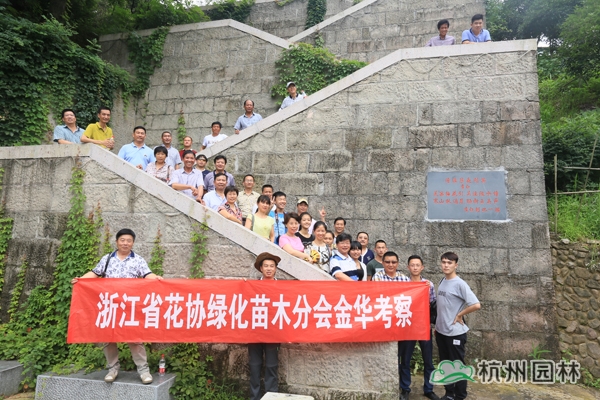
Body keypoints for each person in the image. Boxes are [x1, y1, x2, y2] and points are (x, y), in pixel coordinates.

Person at [70, 228, 163, 384]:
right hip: (110, 305)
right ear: (117, 241)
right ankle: (112, 369)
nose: (125, 243)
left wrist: (156, 278)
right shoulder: (107, 258)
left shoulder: (138, 260)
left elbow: (147, 274)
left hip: (129, 306)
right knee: (108, 338)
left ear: (133, 243)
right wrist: (80, 280)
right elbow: (95, 273)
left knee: (134, 338)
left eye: (129, 241)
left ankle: (143, 371)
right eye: (122, 240)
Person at [435, 252, 481, 400]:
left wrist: (460, 314)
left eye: (449, 263)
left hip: (455, 332)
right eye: (443, 262)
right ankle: (449, 394)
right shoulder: (443, 280)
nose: (446, 265)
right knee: (445, 364)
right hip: (441, 332)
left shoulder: (460, 284)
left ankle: (460, 395)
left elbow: (476, 304)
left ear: (456, 265)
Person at [398, 255, 440, 400]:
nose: (415, 268)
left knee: (428, 360)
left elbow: (433, 304)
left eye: (417, 265)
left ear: (422, 267)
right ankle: (405, 388)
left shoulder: (428, 284)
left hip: (424, 326)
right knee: (405, 359)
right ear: (408, 267)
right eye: (412, 265)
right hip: (408, 326)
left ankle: (429, 389)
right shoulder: (403, 283)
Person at [248, 252, 281, 400]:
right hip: (255, 330)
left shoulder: (283, 287)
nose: (269, 269)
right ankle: (254, 397)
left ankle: (271, 396)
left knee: (271, 366)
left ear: (275, 269)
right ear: (260, 268)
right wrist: (241, 286)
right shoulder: (252, 286)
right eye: (266, 266)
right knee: (254, 365)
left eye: (272, 266)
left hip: (274, 331)